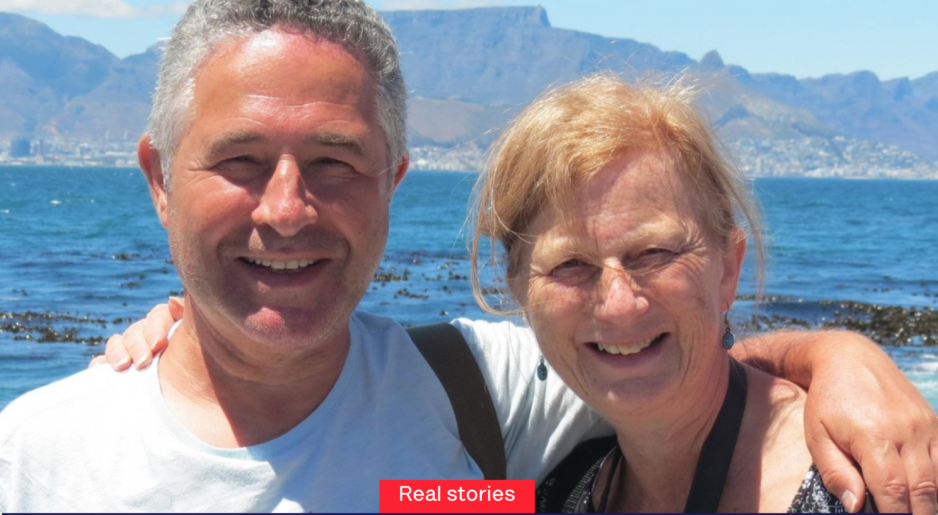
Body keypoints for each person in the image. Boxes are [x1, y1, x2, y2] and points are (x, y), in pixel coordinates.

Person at [1, 0, 935, 512]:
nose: (287, 210)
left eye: (336, 161)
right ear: (160, 179)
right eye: (241, 162)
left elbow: (680, 365)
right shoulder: (38, 456)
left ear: (394, 181)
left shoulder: (479, 394)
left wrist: (841, 359)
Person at [466, 73, 921, 512]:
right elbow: (404, 497)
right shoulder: (548, 490)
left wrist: (842, 353)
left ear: (728, 268)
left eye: (654, 252)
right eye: (571, 265)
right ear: (517, 284)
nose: (620, 305)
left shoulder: (866, 488)